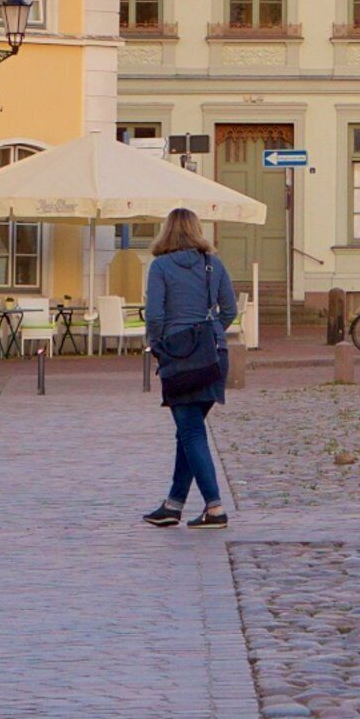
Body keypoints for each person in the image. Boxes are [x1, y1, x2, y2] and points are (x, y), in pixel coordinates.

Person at [139, 208, 236, 530]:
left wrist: (160, 345)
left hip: (180, 356)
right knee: (188, 429)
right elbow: (229, 310)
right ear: (197, 229)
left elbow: (155, 315)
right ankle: (173, 505)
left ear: (166, 230)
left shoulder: (160, 266)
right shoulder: (213, 264)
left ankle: (215, 507)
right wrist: (211, 333)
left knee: (191, 430)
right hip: (214, 355)